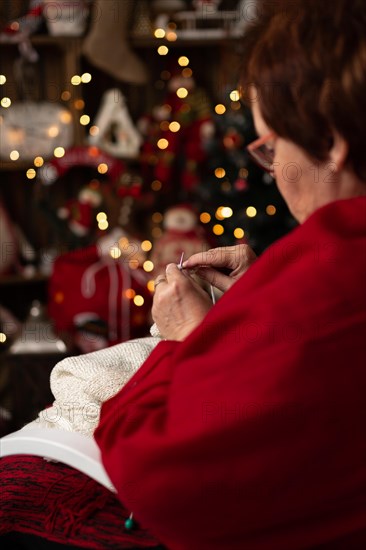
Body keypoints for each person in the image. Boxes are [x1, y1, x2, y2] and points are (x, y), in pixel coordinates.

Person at [1, 0, 365, 548]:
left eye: (271, 148)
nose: (274, 172)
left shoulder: (327, 273)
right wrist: (262, 295)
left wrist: (188, 340)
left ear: (332, 144)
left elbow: (165, 485)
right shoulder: (327, 263)